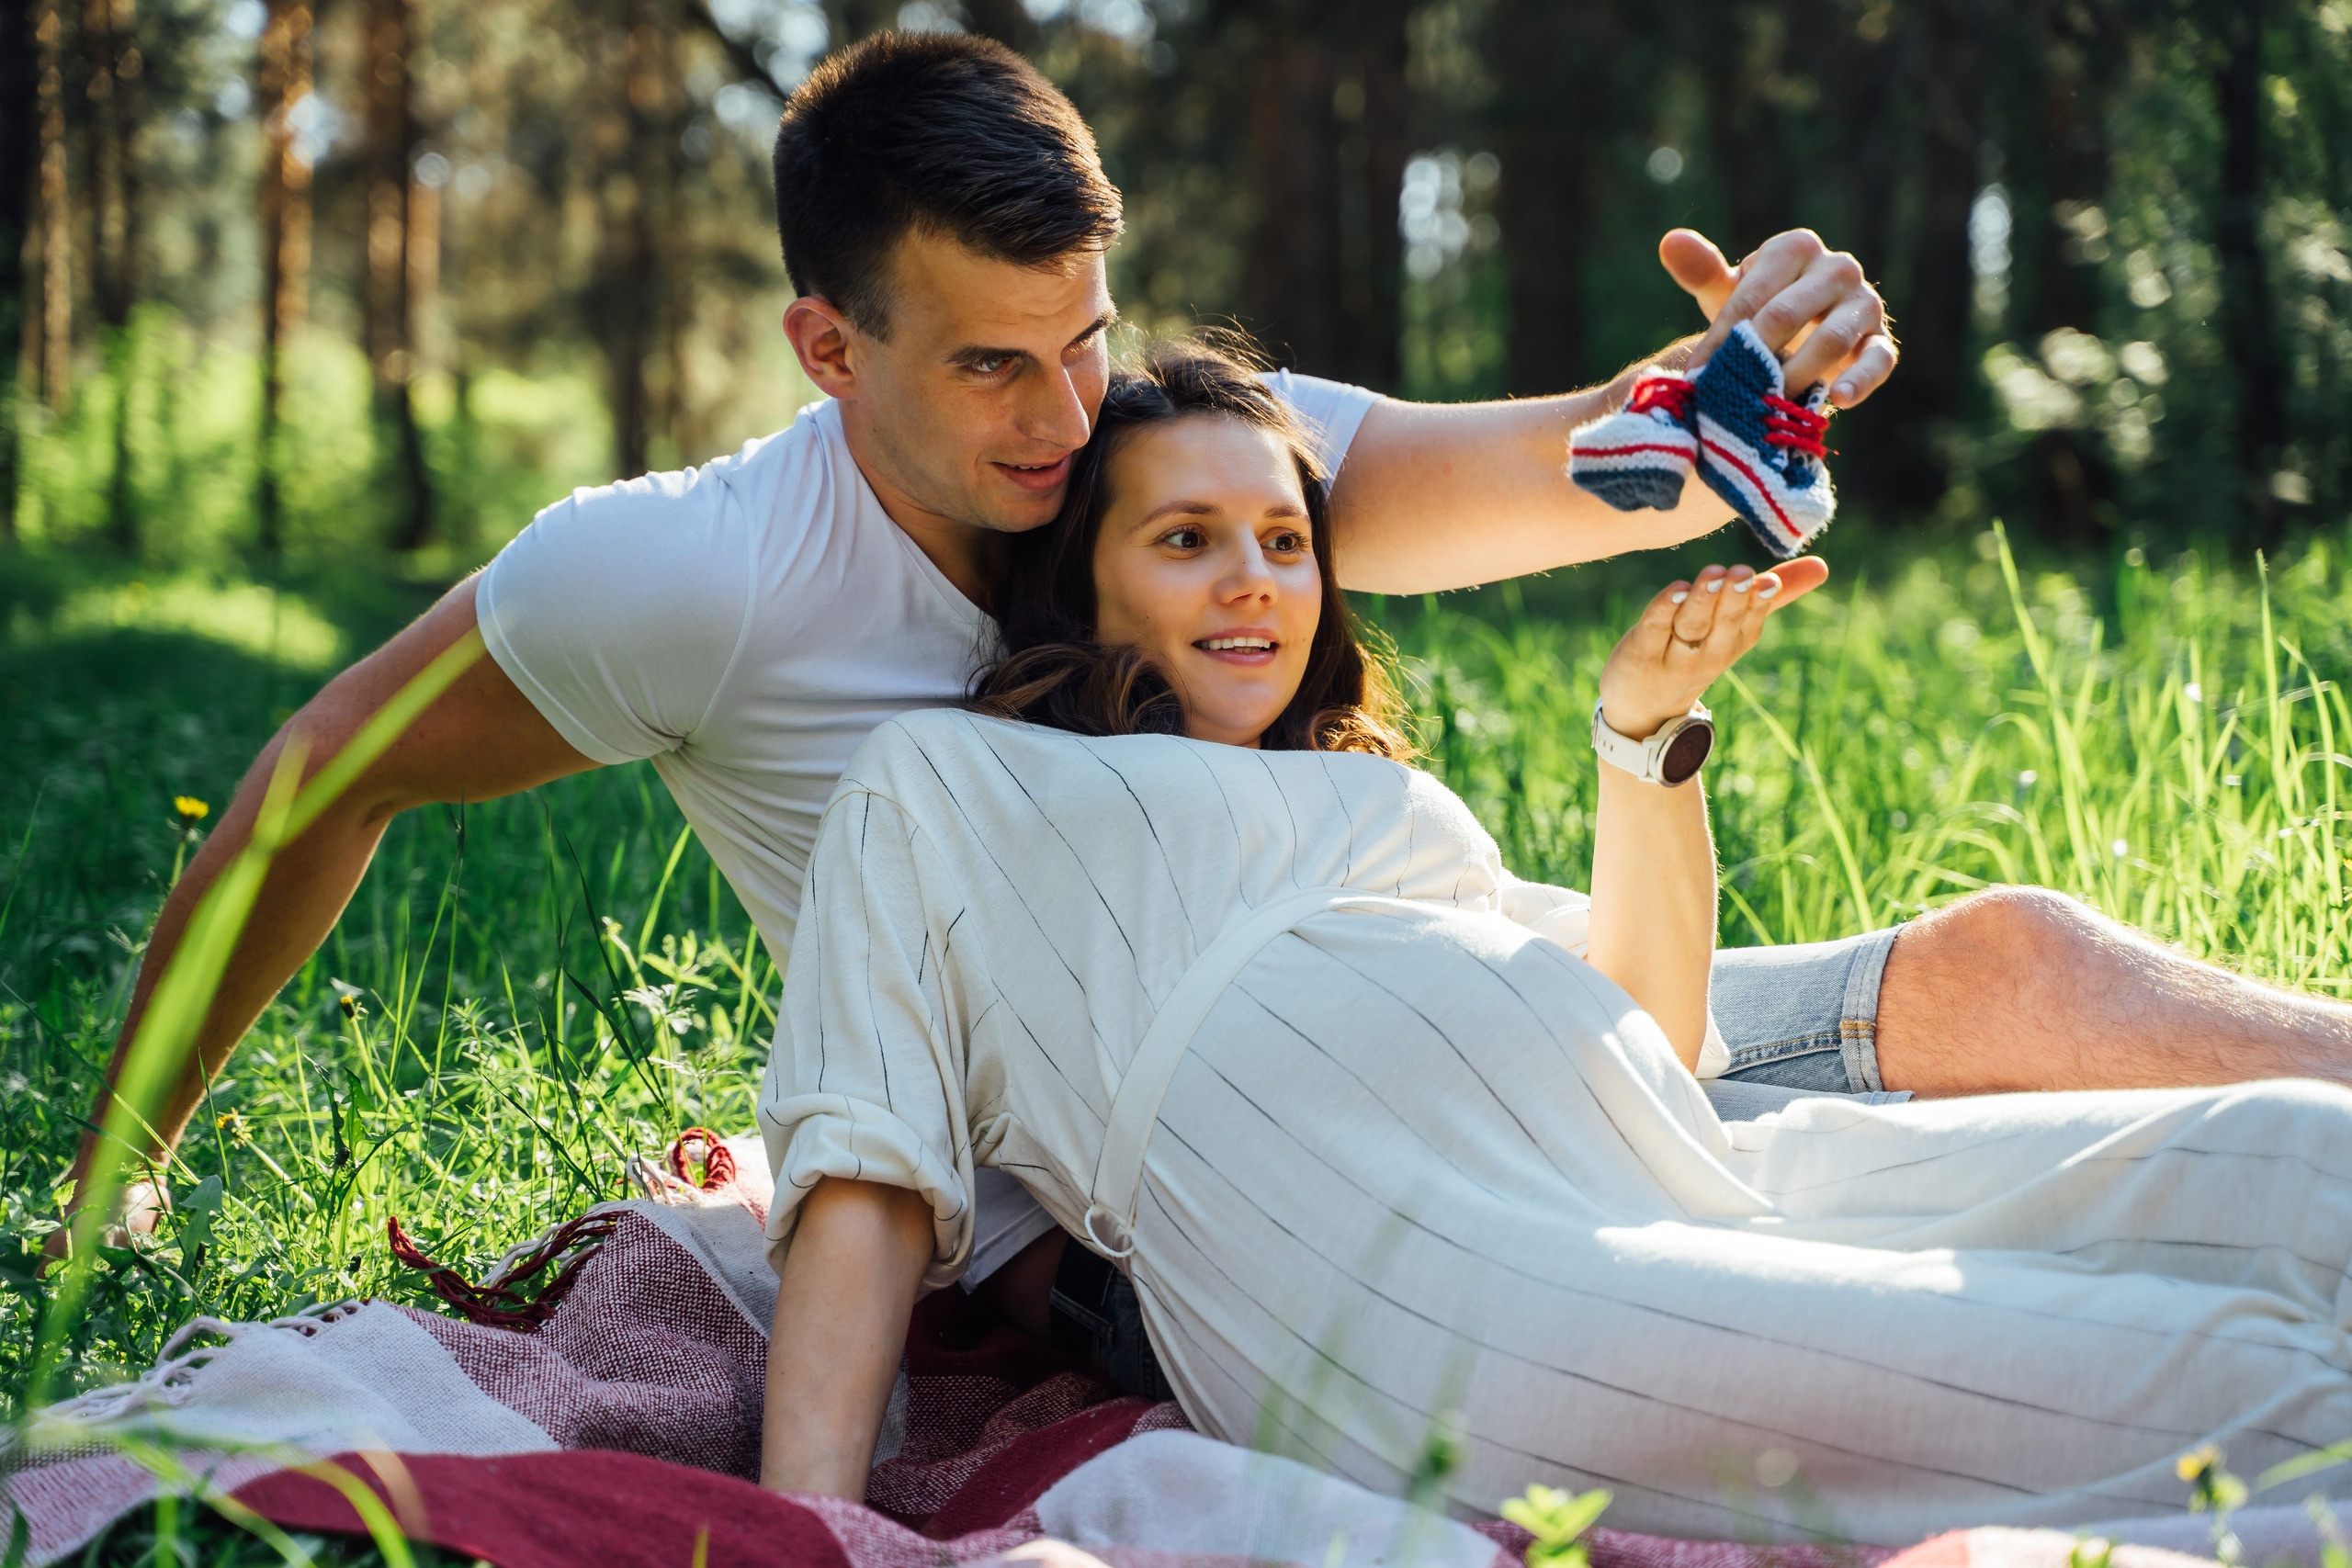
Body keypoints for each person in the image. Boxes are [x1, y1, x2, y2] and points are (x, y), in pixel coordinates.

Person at [63, 28, 2352, 1303]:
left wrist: (1745, 373)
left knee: (2008, 962)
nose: (1065, 428)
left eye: (1080, 342)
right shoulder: (678, 579)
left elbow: (1583, 468)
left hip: (1454, 998)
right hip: (1199, 1170)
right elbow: (303, 786)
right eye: (988, 372)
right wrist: (124, 1196)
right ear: (822, 341)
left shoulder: (1170, 453)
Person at [755, 340, 2352, 1541]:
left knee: (2303, 1160)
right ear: (1079, 584)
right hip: (1411, 1277)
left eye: (1286, 539)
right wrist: (807, 1534)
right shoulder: (954, 781)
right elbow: (866, 1164)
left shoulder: (1377, 807)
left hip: (1671, 1169)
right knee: (2232, 1384)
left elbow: (1640, 1026)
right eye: (1184, 541)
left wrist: (1640, 739)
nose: (1256, 585)